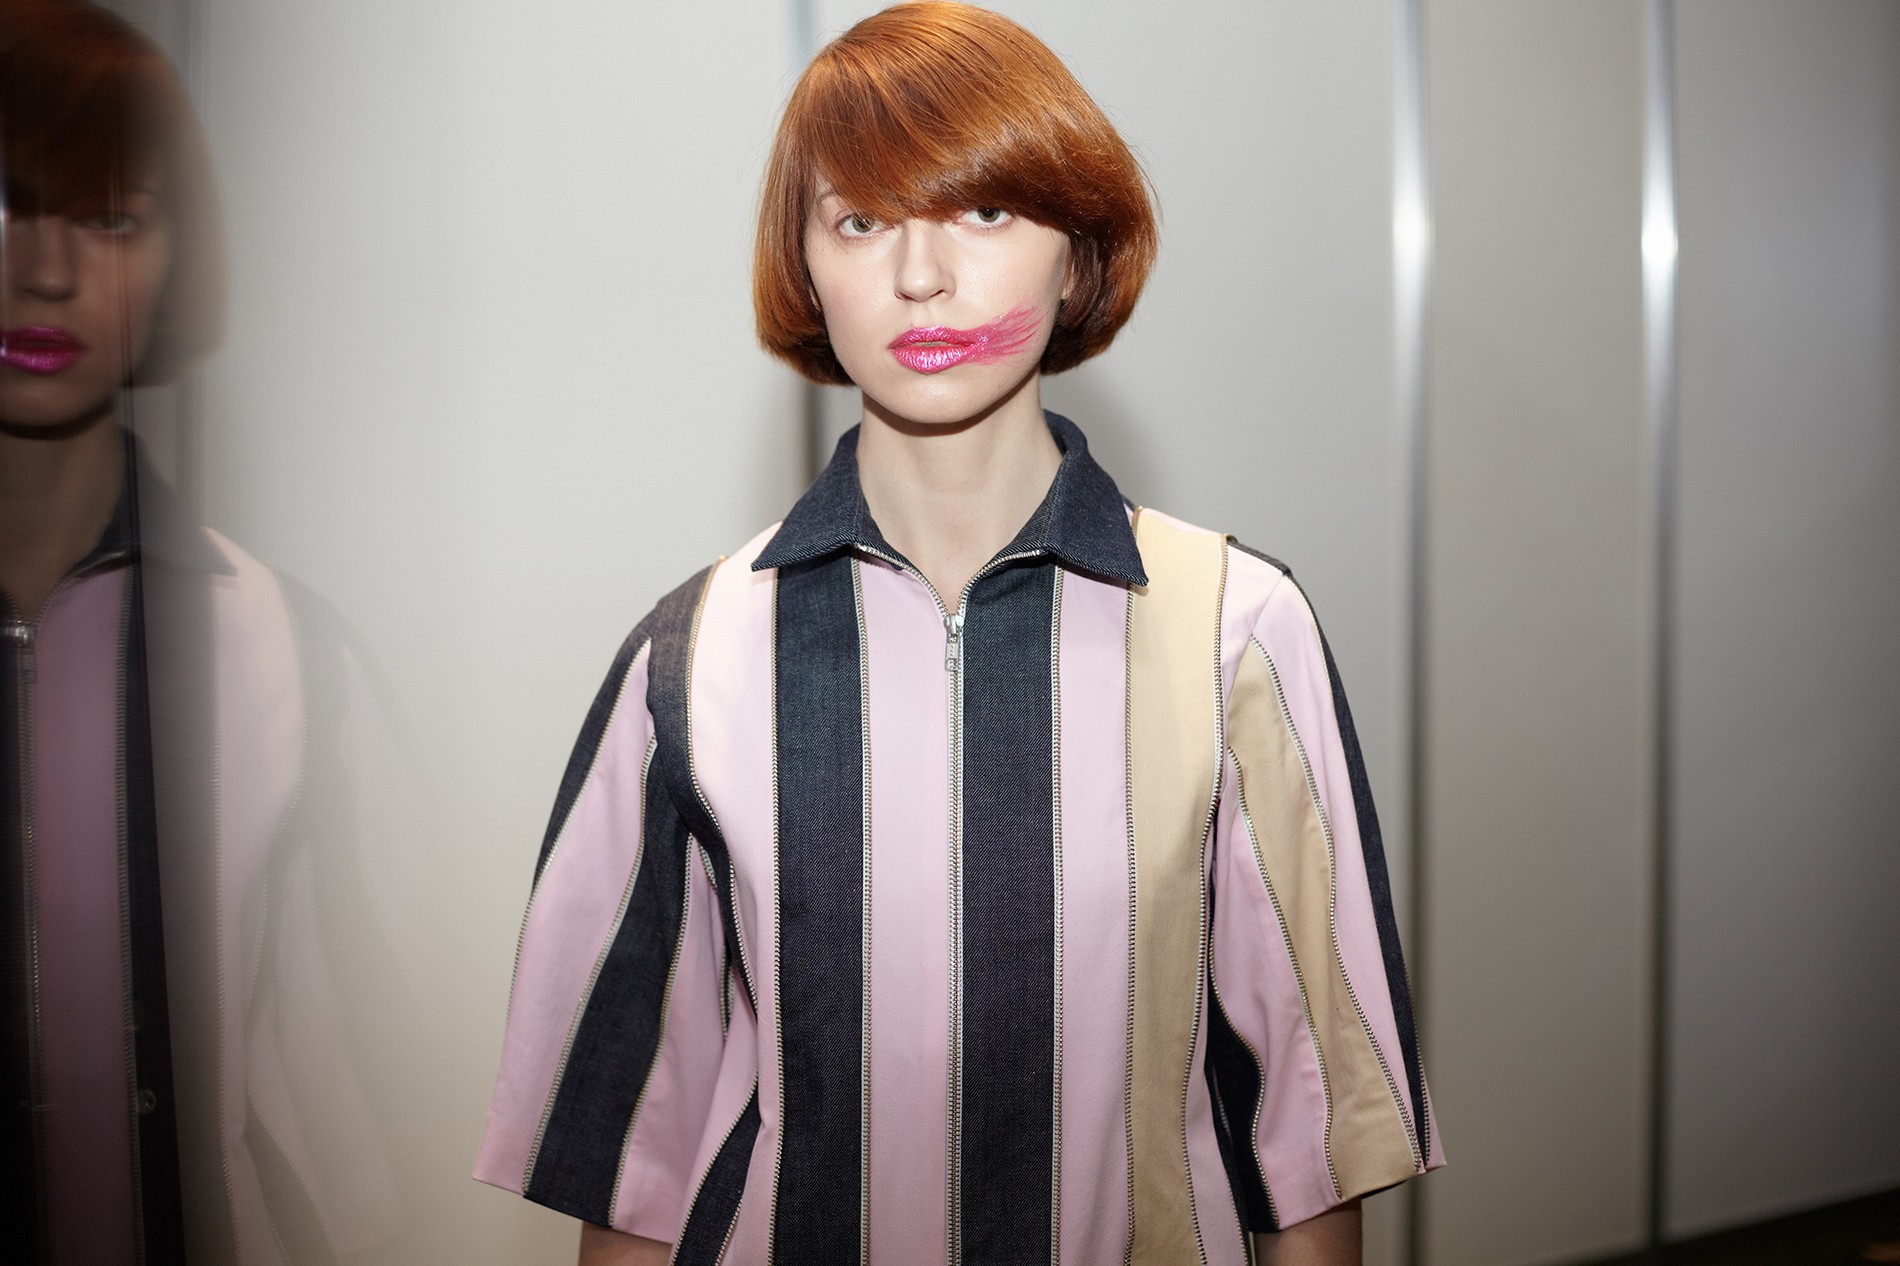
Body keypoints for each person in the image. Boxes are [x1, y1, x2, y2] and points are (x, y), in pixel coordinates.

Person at [475, 4, 1442, 1264]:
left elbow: (1312, 1131)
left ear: (1075, 258)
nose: (920, 275)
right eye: (860, 221)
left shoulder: (1235, 629)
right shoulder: (691, 658)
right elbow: (631, 1162)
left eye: (984, 210)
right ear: (804, 269)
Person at [1, 2, 399, 1259]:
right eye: (7, 203)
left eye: (112, 216)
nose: (46, 270)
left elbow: (360, 1099)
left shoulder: (290, 653)